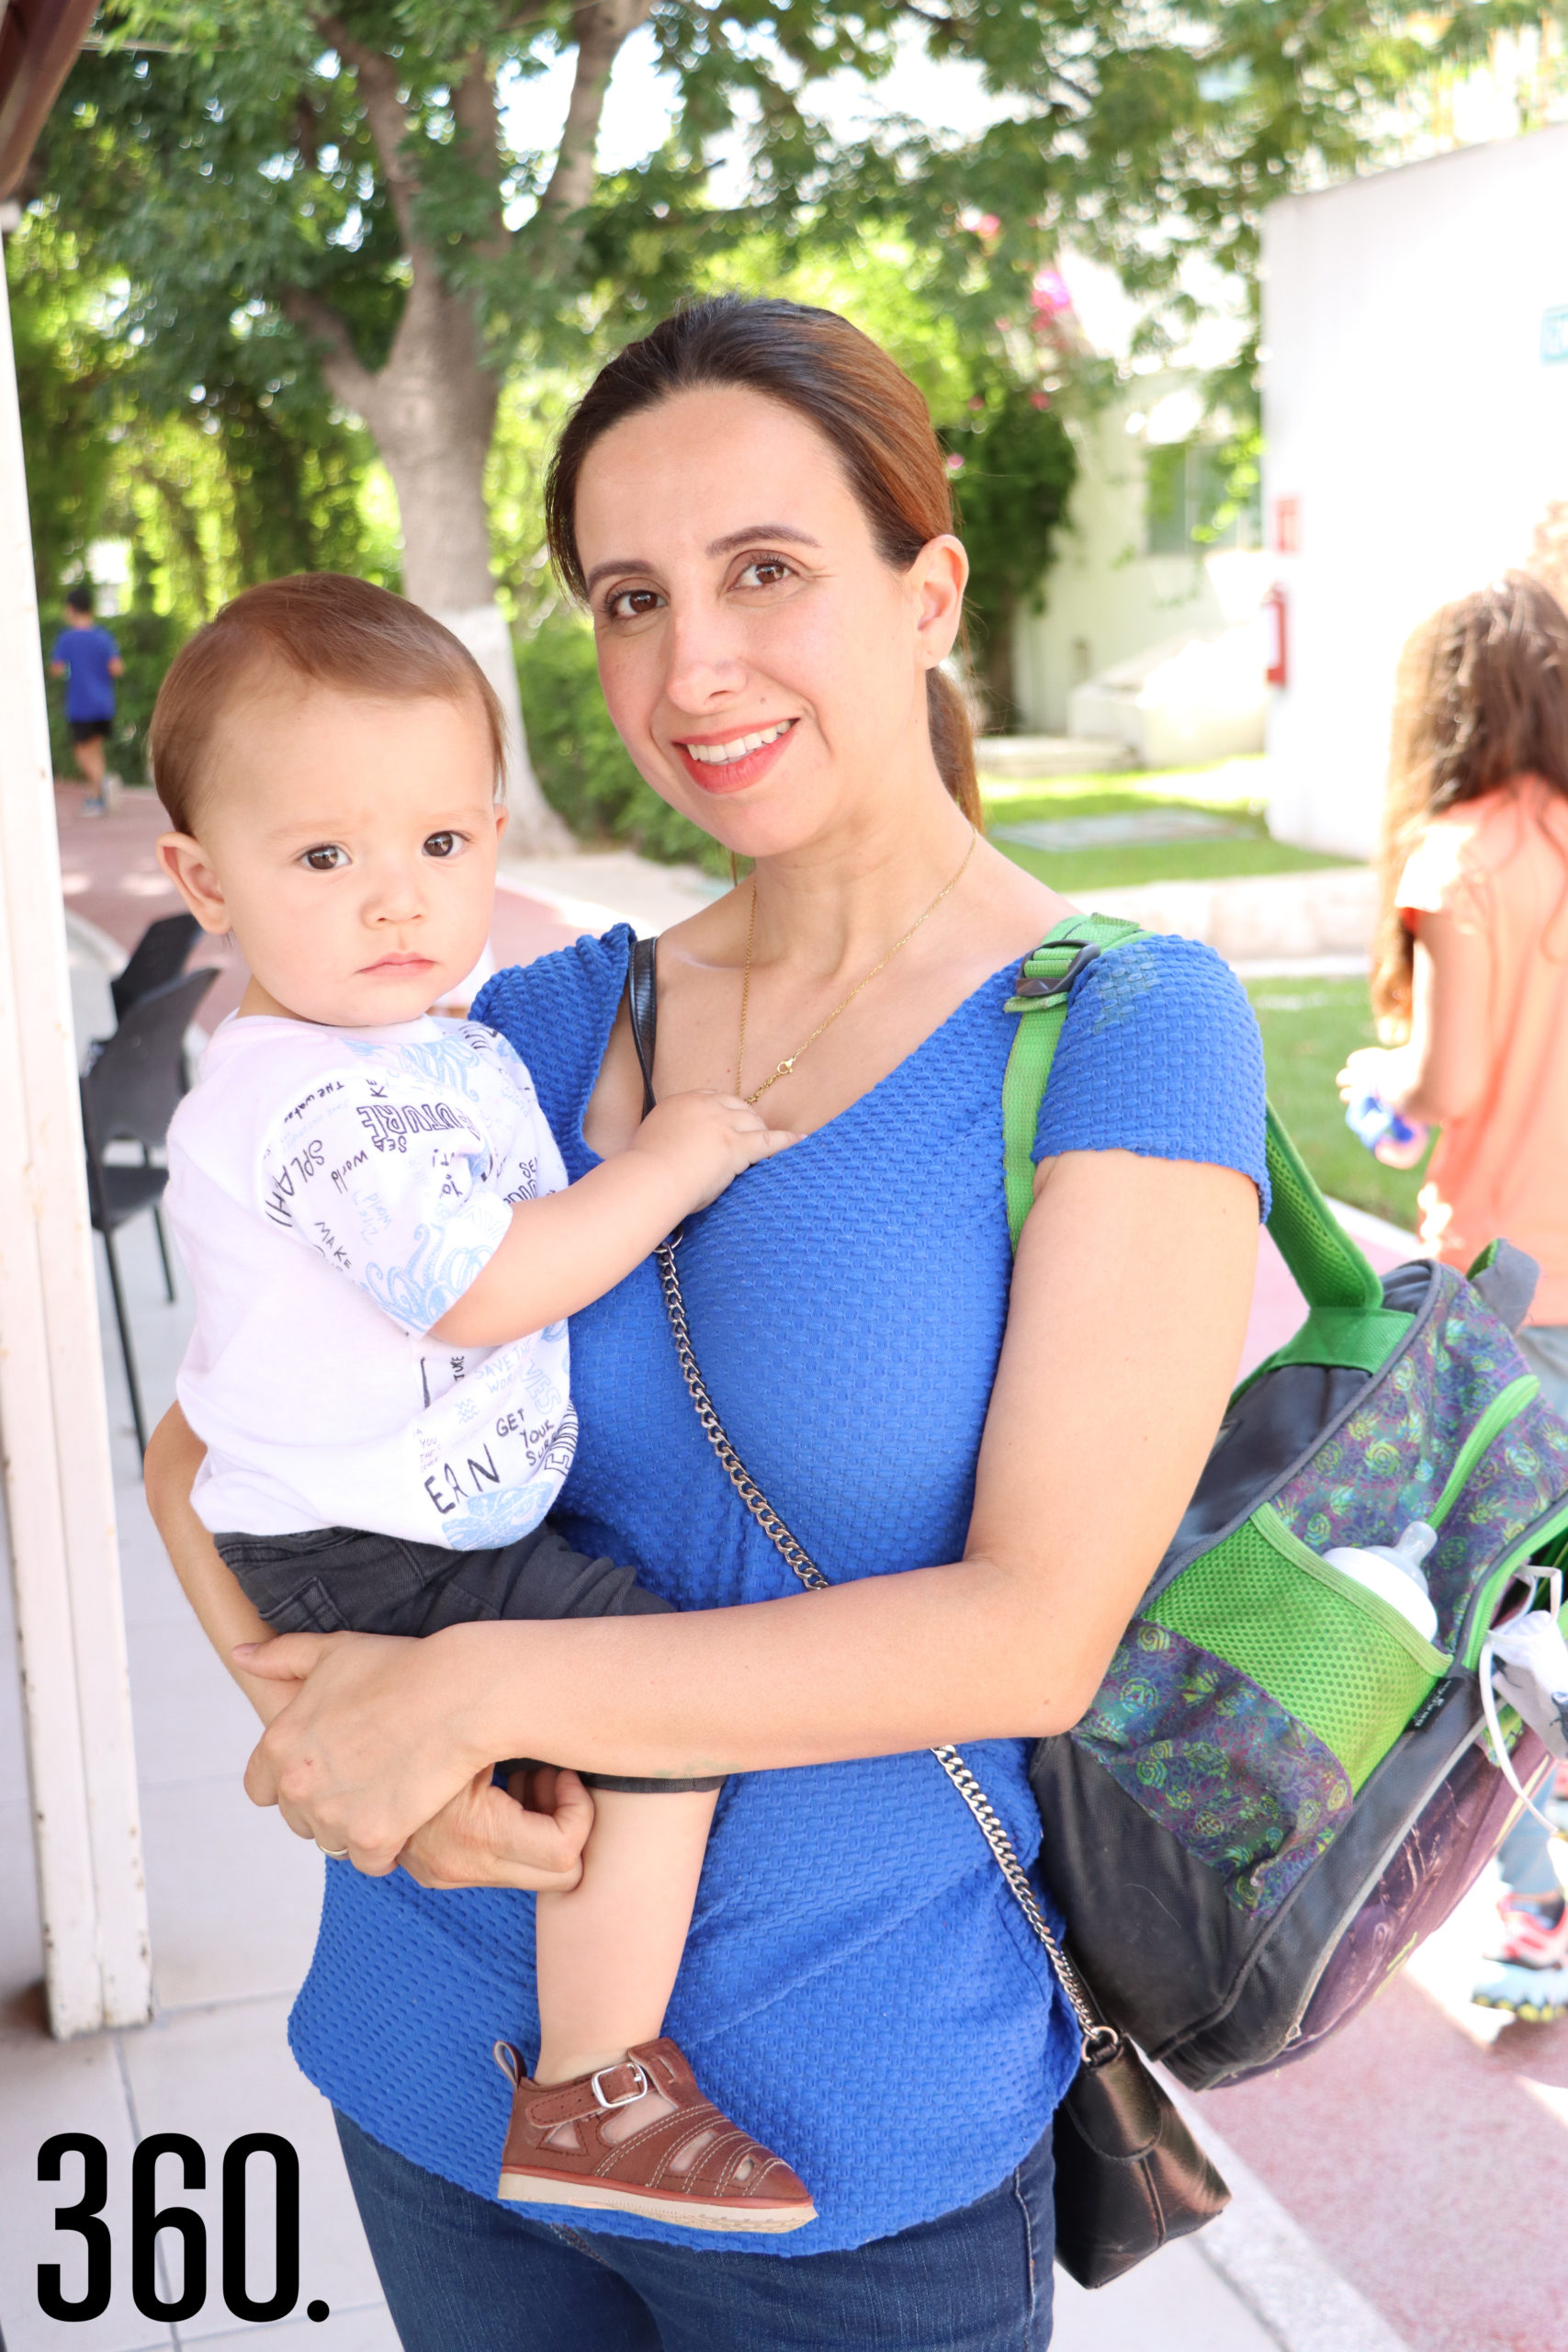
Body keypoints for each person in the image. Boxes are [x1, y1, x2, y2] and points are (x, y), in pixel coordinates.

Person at [145, 296, 1267, 2351]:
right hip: (425, 2060)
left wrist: (458, 1679)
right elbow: (206, 1436)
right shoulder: (520, 1023)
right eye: (630, 595)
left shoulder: (1120, 1029)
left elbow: (1031, 1624)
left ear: (928, 590)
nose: (691, 665)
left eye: (766, 572)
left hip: (850, 2137)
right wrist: (311, 1719)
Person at [152, 573, 814, 2230]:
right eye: (324, 858)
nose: (398, 902)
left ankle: (585, 2058)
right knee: (647, 1696)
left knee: (575, 1742)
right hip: (368, 1550)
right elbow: (482, 1284)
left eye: (444, 847)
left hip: (394, 1522)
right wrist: (664, 1165)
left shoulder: (422, 1041)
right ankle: (599, 2086)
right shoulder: (311, 1095)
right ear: (199, 882)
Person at [1339, 571, 1568, 2016]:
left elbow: (1450, 1082)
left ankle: (1533, 1906)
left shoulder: (1458, 857)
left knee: (1495, 1604)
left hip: (1507, 1290)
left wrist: (1380, 1086)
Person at [49, 582, 123, 812]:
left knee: (82, 753)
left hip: (80, 705)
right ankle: (96, 796)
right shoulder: (104, 637)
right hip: (103, 703)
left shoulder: (67, 639)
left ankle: (103, 786)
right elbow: (117, 668)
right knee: (96, 750)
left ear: (71, 609)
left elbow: (56, 669)